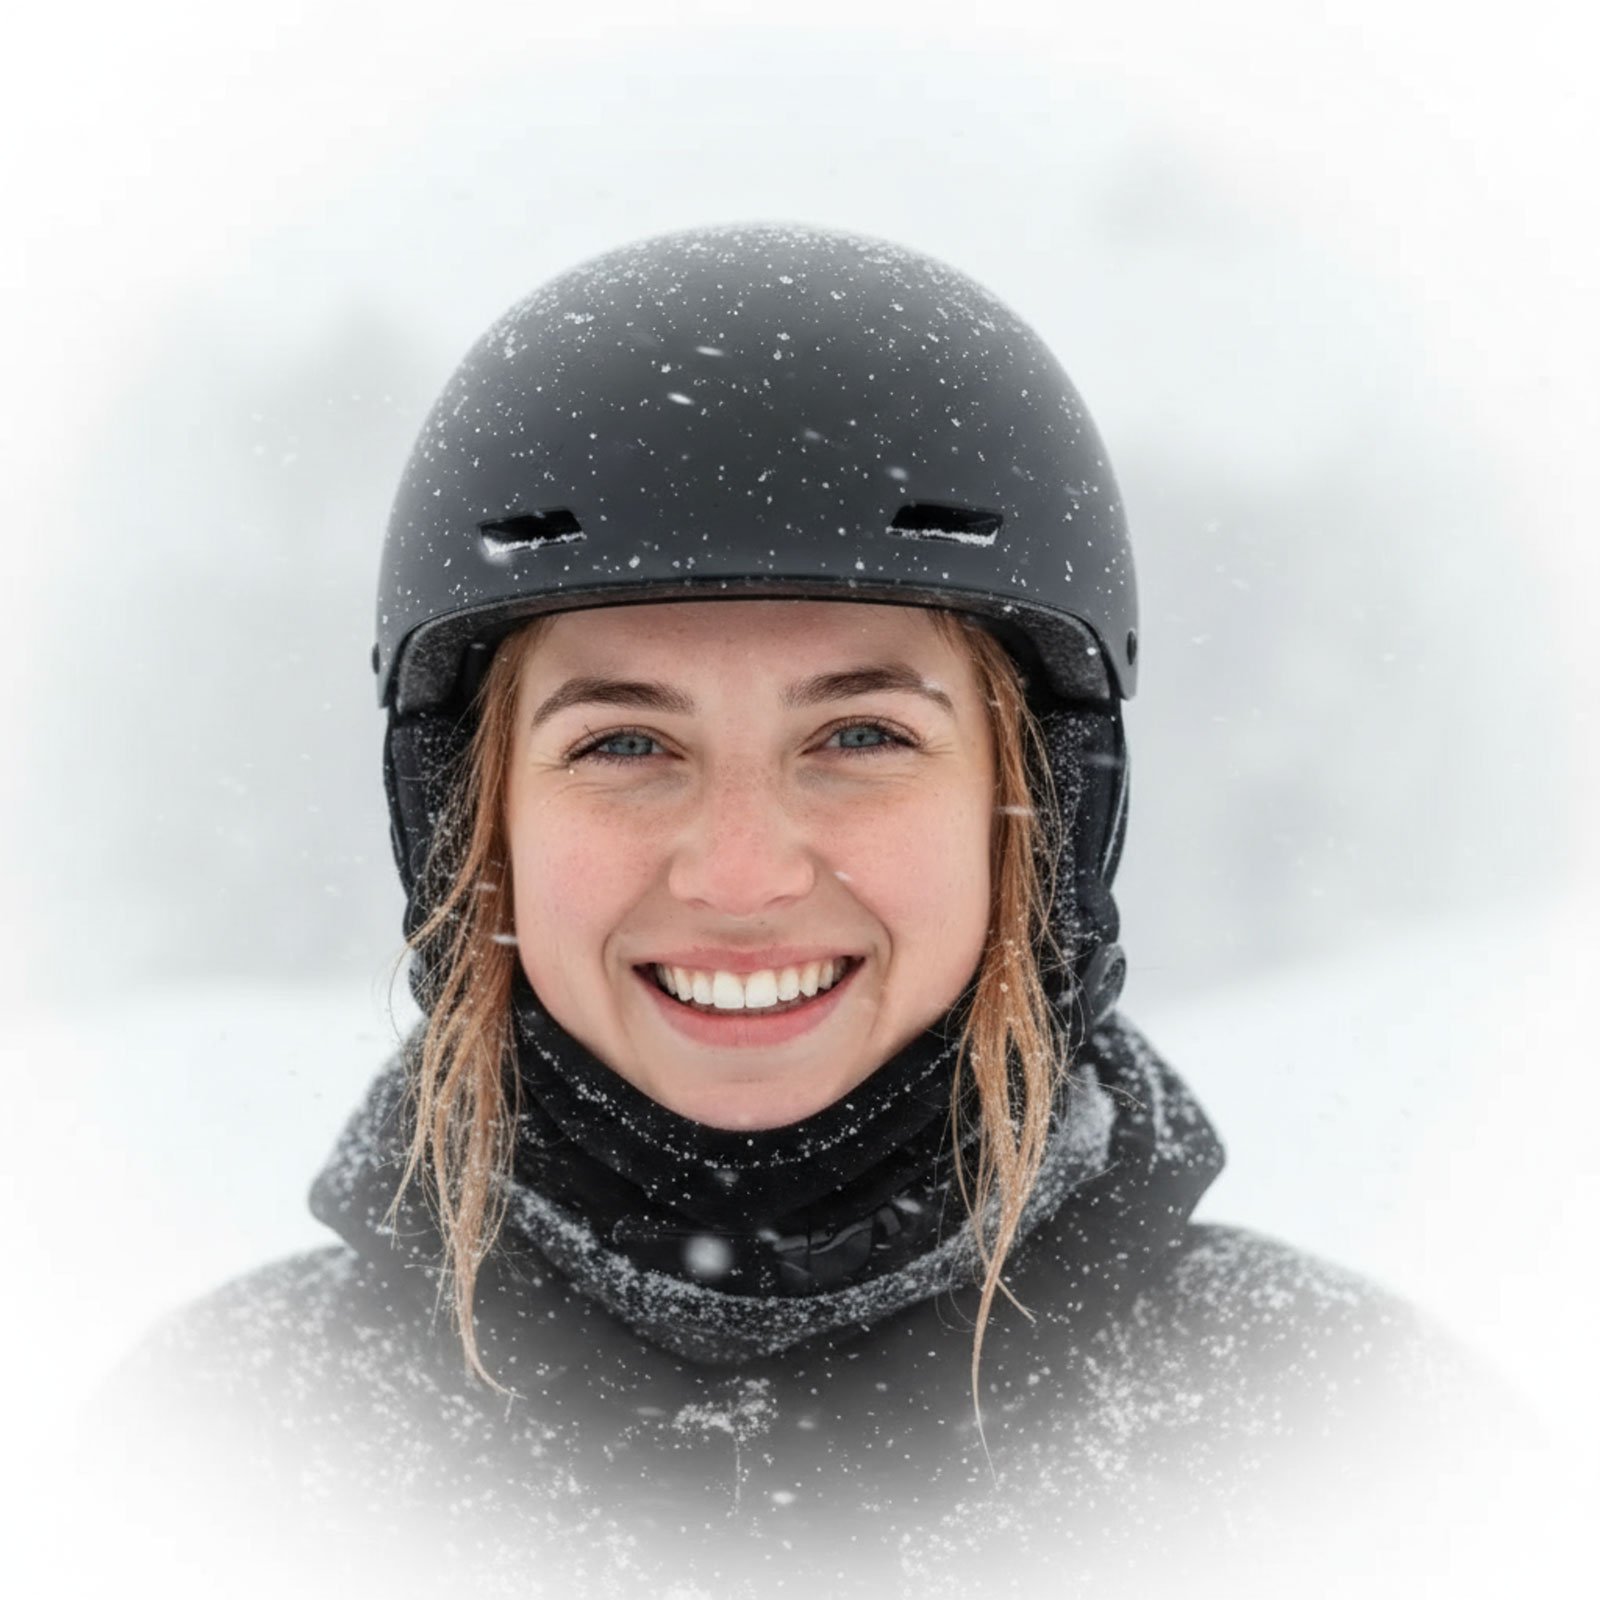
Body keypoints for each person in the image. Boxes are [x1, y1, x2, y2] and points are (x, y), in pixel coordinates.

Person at [93, 224, 1528, 1599]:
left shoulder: (1355, 1452)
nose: (739, 874)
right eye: (622, 744)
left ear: (1036, 804)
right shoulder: (212, 1464)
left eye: (859, 738)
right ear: (473, 827)